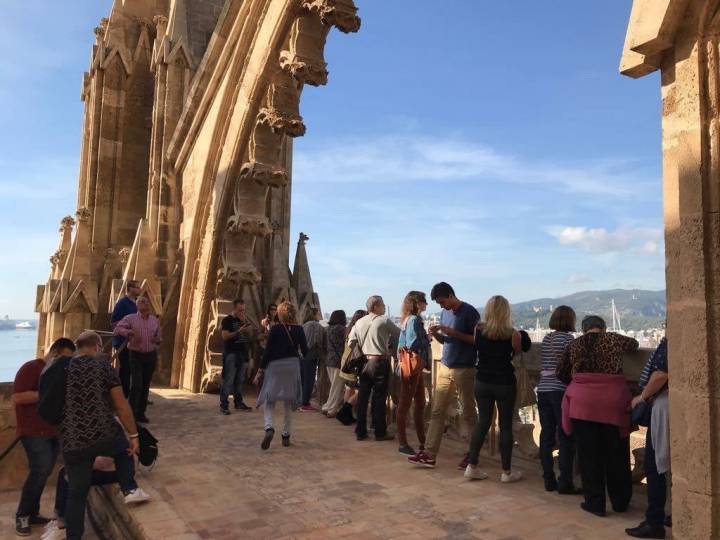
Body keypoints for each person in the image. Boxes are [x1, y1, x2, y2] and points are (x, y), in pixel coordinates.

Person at [58, 331, 140, 540]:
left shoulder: (63, 367)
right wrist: (134, 434)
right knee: (125, 451)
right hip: (102, 434)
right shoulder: (103, 365)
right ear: (97, 346)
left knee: (77, 493)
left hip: (71, 440)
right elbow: (120, 404)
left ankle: (73, 537)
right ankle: (130, 489)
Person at [556, 315, 639, 517]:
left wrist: (582, 384)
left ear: (584, 329)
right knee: (617, 454)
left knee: (588, 455)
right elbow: (634, 345)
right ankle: (620, 502)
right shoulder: (614, 339)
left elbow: (561, 372)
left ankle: (595, 503)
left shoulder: (575, 344)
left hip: (582, 404)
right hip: (612, 403)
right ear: (602, 327)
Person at [408, 282, 479, 469]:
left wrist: (452, 332)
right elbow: (447, 340)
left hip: (465, 368)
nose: (441, 306)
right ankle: (430, 454)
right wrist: (437, 335)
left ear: (450, 295)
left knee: (469, 412)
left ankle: (472, 454)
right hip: (446, 366)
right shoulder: (444, 313)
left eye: (442, 302)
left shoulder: (470, 312)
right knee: (437, 410)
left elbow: (476, 340)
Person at [13, 338, 76, 537]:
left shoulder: (61, 373)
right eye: (63, 357)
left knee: (44, 471)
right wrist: (48, 393)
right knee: (40, 469)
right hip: (32, 432)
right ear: (54, 352)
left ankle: (32, 513)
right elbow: (18, 397)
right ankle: (22, 515)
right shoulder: (31, 368)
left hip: (52, 431)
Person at [42, 433, 151, 539]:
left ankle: (63, 525)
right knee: (66, 474)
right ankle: (60, 520)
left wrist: (80, 460)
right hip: (101, 467)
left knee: (70, 479)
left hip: (117, 471)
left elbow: (105, 460)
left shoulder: (107, 425)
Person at [464, 295, 524, 483]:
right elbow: (516, 353)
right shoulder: (513, 334)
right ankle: (506, 472)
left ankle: (471, 466)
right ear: (506, 311)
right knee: (505, 426)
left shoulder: (478, 330)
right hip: (504, 382)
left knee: (483, 423)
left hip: (482, 381)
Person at [626, 337, 670, 539]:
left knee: (655, 467)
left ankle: (654, 522)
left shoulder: (671, 341)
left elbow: (661, 374)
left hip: (664, 406)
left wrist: (641, 397)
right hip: (672, 405)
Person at [254, 301, 308, 450]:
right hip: (292, 365)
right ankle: (286, 435)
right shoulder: (299, 329)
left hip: (275, 366)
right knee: (289, 402)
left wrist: (260, 371)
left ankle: (269, 428)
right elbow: (305, 350)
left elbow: (268, 351)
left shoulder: (276, 329)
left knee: (269, 399)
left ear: (280, 313)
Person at [537, 305, 579, 493]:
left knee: (546, 435)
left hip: (543, 388)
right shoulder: (569, 340)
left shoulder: (547, 338)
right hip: (560, 390)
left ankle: (548, 479)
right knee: (565, 436)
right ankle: (565, 482)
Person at [347, 295, 400, 442]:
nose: (384, 307)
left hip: (364, 363)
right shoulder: (384, 320)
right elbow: (400, 334)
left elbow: (350, 342)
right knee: (379, 397)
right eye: (382, 305)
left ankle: (360, 431)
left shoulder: (359, 322)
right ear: (376, 306)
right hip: (379, 362)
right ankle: (380, 431)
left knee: (363, 397)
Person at [113, 296, 161, 423]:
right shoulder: (130, 318)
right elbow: (117, 328)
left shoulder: (154, 320)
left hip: (150, 355)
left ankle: (141, 413)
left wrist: (157, 340)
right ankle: (132, 414)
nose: (144, 303)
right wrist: (129, 333)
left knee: (145, 385)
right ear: (137, 306)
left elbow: (158, 336)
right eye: (141, 302)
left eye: (146, 301)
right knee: (137, 384)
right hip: (136, 354)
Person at [396, 291, 430, 455]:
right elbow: (413, 343)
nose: (426, 304)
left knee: (419, 403)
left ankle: (423, 441)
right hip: (412, 366)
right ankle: (403, 443)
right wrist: (428, 338)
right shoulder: (415, 320)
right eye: (424, 301)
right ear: (417, 303)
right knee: (406, 404)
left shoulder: (406, 319)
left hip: (410, 366)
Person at [219, 299, 254, 415]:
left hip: (242, 354)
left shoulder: (244, 321)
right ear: (234, 309)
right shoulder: (227, 320)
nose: (242, 312)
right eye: (240, 310)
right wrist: (238, 331)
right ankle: (224, 405)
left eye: (243, 310)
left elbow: (249, 339)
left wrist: (247, 329)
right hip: (231, 354)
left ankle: (238, 402)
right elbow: (224, 336)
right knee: (229, 380)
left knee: (239, 381)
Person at [334, 309, 367, 425]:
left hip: (347, 361)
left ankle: (346, 413)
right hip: (354, 362)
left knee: (349, 388)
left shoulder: (349, 329)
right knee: (358, 389)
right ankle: (345, 412)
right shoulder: (359, 330)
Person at [110, 280, 141, 397]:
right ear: (130, 288)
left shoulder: (136, 304)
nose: (139, 290)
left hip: (135, 343)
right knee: (126, 368)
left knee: (135, 368)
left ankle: (135, 394)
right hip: (123, 342)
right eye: (137, 287)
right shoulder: (122, 303)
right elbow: (113, 323)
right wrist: (129, 328)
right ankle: (124, 394)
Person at [321, 310, 348, 418]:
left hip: (329, 360)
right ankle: (331, 408)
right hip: (338, 360)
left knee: (335, 386)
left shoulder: (328, 329)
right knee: (337, 387)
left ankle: (327, 406)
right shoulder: (342, 329)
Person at [300, 307, 327, 412]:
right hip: (311, 355)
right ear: (315, 314)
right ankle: (305, 403)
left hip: (302, 355)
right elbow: (316, 341)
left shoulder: (304, 325)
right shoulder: (316, 325)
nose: (320, 314)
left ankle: (301, 401)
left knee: (303, 379)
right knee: (309, 380)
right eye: (319, 313)